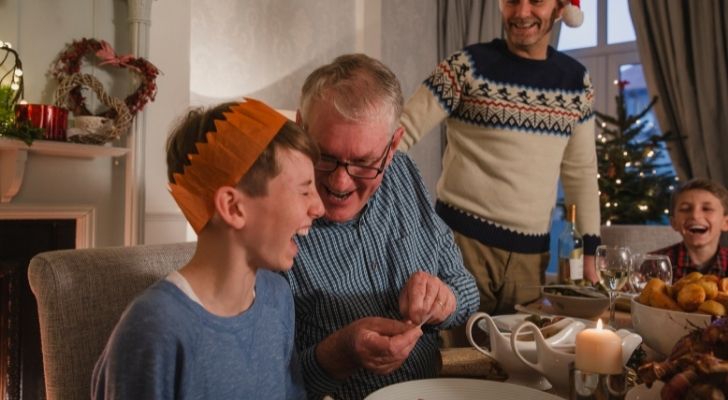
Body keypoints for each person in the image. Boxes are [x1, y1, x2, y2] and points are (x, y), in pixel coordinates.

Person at [91, 99, 324, 399]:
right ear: (232, 206)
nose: (319, 207)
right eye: (304, 190)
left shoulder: (278, 299)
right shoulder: (154, 329)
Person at [284, 54, 479, 399]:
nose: (341, 183)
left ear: (392, 147)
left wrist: (444, 301)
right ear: (300, 128)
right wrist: (340, 354)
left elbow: (465, 288)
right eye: (324, 156)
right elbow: (270, 382)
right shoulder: (273, 220)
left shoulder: (404, 174)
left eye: (363, 163)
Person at [399, 0, 601, 316]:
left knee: (518, 360)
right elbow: (400, 134)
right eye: (511, 1)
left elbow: (582, 171)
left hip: (531, 260)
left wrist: (590, 252)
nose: (521, 12)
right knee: (455, 360)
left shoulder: (577, 83)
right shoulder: (466, 66)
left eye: (535, 1)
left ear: (560, 8)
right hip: (459, 247)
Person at [652, 178, 728, 280]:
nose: (695, 216)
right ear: (674, 223)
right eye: (685, 209)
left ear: (726, 223)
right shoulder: (653, 263)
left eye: (706, 209)